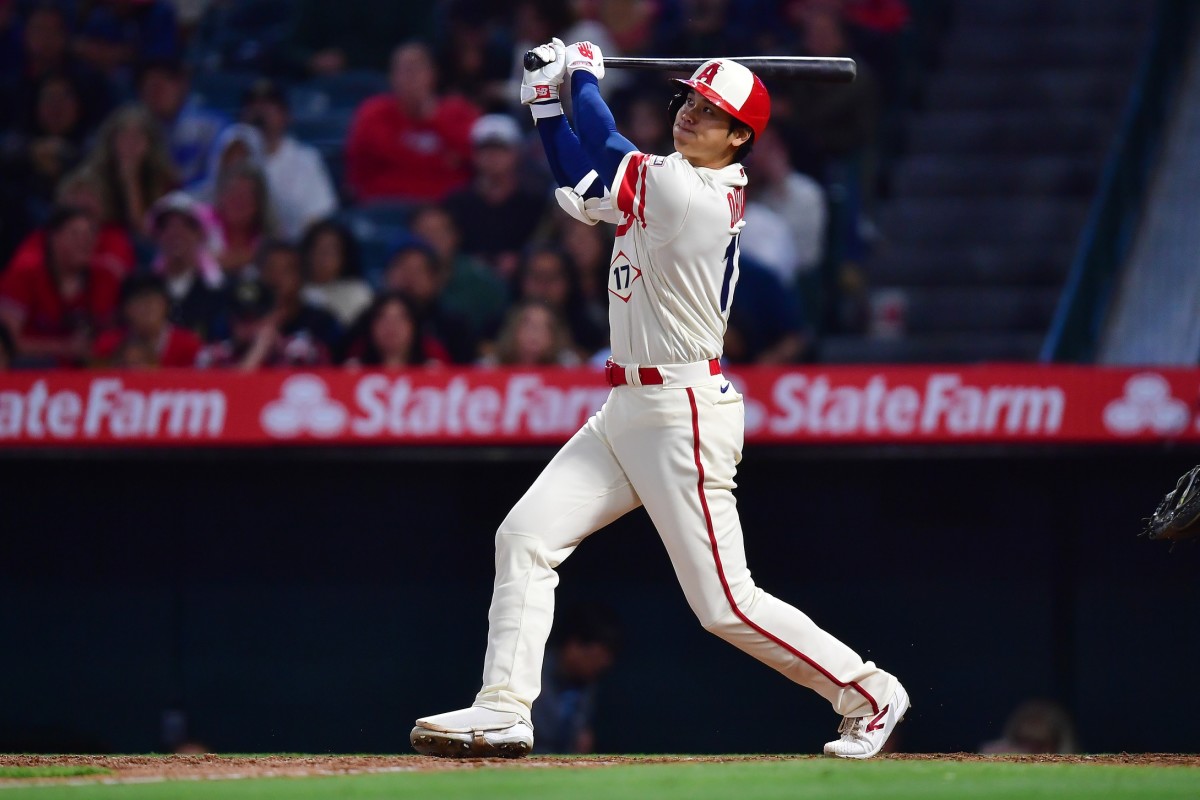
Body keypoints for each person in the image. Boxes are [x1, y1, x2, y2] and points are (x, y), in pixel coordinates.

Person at [411, 39, 907, 760]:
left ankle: (869, 693)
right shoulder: (672, 176)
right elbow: (585, 186)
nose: (691, 115)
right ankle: (504, 709)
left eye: (712, 113)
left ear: (740, 137)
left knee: (725, 604)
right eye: (690, 102)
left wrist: (581, 72)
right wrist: (550, 105)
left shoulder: (697, 195)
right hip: (626, 409)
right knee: (524, 538)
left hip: (682, 413)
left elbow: (608, 148)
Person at [344, 42, 480, 203]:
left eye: (417, 69)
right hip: (387, 208)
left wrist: (432, 117)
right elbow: (358, 174)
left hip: (444, 211)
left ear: (432, 75)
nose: (411, 77)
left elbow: (479, 161)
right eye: (403, 70)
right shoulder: (373, 114)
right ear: (392, 77)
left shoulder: (460, 112)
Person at [0, 205, 120, 367]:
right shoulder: (23, 276)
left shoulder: (106, 276)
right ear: (53, 237)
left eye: (90, 234)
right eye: (75, 234)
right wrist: (65, 347)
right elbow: (7, 345)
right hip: (32, 371)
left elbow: (119, 332)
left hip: (91, 369)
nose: (85, 242)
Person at [443, 113, 550, 278]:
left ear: (516, 153)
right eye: (485, 149)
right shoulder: (456, 203)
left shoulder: (535, 202)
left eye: (500, 149)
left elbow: (542, 244)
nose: (492, 157)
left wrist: (520, 260)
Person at [240, 78, 338, 242]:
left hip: (292, 251)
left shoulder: (306, 159)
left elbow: (319, 217)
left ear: (286, 115)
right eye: (253, 106)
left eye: (269, 106)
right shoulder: (233, 156)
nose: (260, 113)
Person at [530, 603, 622, 754]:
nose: (600, 666)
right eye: (595, 657)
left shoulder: (586, 683)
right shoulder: (530, 672)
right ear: (573, 645)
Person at [82, 104, 180, 239]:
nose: (130, 144)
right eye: (124, 136)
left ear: (151, 144)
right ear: (111, 141)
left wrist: (131, 182)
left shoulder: (166, 182)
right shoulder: (90, 179)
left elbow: (148, 234)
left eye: (137, 137)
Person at [381, 239, 478, 365]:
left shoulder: (455, 327)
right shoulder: (368, 323)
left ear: (435, 280)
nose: (409, 277)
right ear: (386, 275)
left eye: (418, 270)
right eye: (402, 268)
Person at [136, 57, 228, 188]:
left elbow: (220, 180)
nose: (156, 94)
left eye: (162, 86)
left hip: (201, 202)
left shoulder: (212, 126)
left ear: (182, 85)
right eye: (151, 87)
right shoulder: (135, 131)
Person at [147, 190, 226, 339]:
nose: (175, 233)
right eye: (166, 226)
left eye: (186, 226)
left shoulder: (218, 289)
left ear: (200, 234)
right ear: (157, 235)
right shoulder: (144, 287)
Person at [92, 274, 203, 367]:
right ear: (125, 309)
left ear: (166, 305)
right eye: (139, 301)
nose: (147, 307)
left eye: (153, 300)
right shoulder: (108, 345)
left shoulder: (189, 346)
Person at [298, 218, 373, 328]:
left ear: (344, 257)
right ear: (308, 253)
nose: (324, 258)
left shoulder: (358, 293)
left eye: (332, 251)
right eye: (319, 250)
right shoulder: (295, 291)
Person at [482, 299, 581, 367]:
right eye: (528, 325)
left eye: (543, 327)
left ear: (555, 336)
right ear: (513, 331)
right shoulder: (491, 365)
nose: (534, 334)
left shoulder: (568, 365)